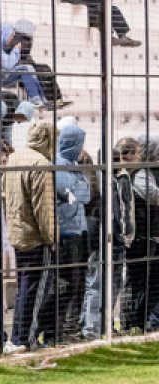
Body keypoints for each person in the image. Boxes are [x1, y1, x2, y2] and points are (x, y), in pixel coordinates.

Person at [3, 123, 57, 352]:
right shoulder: (41, 164)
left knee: (24, 287)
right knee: (34, 291)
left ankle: (17, 337)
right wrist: (51, 238)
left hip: (17, 232)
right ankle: (25, 339)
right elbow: (43, 208)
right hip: (35, 236)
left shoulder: (15, 158)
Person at [81, 138, 136, 339]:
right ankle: (92, 328)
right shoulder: (108, 182)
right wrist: (125, 235)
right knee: (99, 284)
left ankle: (100, 325)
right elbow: (121, 213)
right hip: (107, 240)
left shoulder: (97, 179)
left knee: (103, 284)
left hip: (103, 239)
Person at [52, 122, 90, 344]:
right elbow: (75, 195)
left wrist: (78, 190)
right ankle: (61, 329)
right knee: (69, 284)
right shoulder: (59, 165)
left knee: (79, 283)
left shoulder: (73, 165)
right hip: (66, 232)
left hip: (78, 230)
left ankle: (71, 326)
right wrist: (77, 190)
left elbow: (85, 194)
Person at [123, 136, 159, 333]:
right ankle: (132, 321)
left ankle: (144, 320)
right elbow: (151, 195)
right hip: (140, 237)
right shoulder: (141, 173)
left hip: (149, 235)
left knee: (150, 282)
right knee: (137, 281)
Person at [0, 23, 53, 110]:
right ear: (4, 34)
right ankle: (36, 100)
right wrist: (16, 49)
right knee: (25, 69)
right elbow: (8, 64)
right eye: (11, 36)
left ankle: (41, 99)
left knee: (28, 68)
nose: (12, 38)